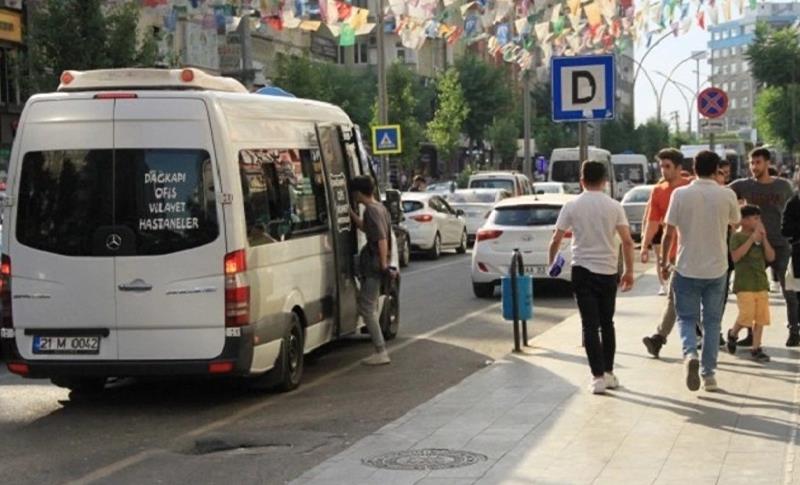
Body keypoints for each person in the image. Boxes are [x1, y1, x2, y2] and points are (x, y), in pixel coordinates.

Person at [549, 161, 635, 395]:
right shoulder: (615, 206)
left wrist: (552, 263)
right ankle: (608, 372)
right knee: (607, 324)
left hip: (582, 270)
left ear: (581, 180)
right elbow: (627, 241)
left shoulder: (572, 205)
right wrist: (628, 271)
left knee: (589, 324)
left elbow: (556, 239)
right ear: (605, 181)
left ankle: (596, 377)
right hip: (608, 271)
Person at [660, 150, 740, 392]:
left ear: (693, 168)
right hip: (717, 268)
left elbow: (668, 233)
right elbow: (735, 224)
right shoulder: (727, 195)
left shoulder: (680, 194)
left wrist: (664, 262)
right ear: (717, 170)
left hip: (686, 266)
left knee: (686, 318)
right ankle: (709, 375)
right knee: (713, 322)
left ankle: (690, 354)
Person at [729, 148, 797, 346]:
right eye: (751, 163)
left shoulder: (783, 186)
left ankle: (794, 331)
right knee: (752, 291)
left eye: (758, 162)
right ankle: (751, 335)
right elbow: (722, 193)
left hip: (782, 244)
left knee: (789, 291)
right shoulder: (744, 185)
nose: (754, 167)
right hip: (754, 246)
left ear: (767, 163)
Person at [641, 149, 689, 358]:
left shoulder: (690, 186)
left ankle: (660, 338)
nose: (664, 170)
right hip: (673, 253)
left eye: (668, 166)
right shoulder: (658, 191)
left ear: (679, 168)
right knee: (676, 297)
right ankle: (660, 338)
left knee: (679, 297)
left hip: (692, 249)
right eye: (661, 166)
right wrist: (644, 246)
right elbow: (652, 222)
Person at [349, 176, 393, 366]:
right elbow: (367, 229)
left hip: (374, 265)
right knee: (370, 305)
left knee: (367, 308)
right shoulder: (380, 208)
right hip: (376, 263)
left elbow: (382, 239)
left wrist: (383, 264)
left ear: (358, 193)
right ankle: (380, 349)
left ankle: (380, 350)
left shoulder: (371, 211)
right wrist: (350, 213)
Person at [726, 205, 774, 363]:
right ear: (744, 220)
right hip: (744, 283)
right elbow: (736, 257)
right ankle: (733, 333)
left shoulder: (760, 236)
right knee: (746, 315)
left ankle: (756, 348)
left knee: (761, 317)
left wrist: (764, 238)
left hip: (760, 282)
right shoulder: (737, 237)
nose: (758, 221)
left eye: (759, 218)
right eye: (755, 218)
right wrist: (752, 239)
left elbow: (771, 257)